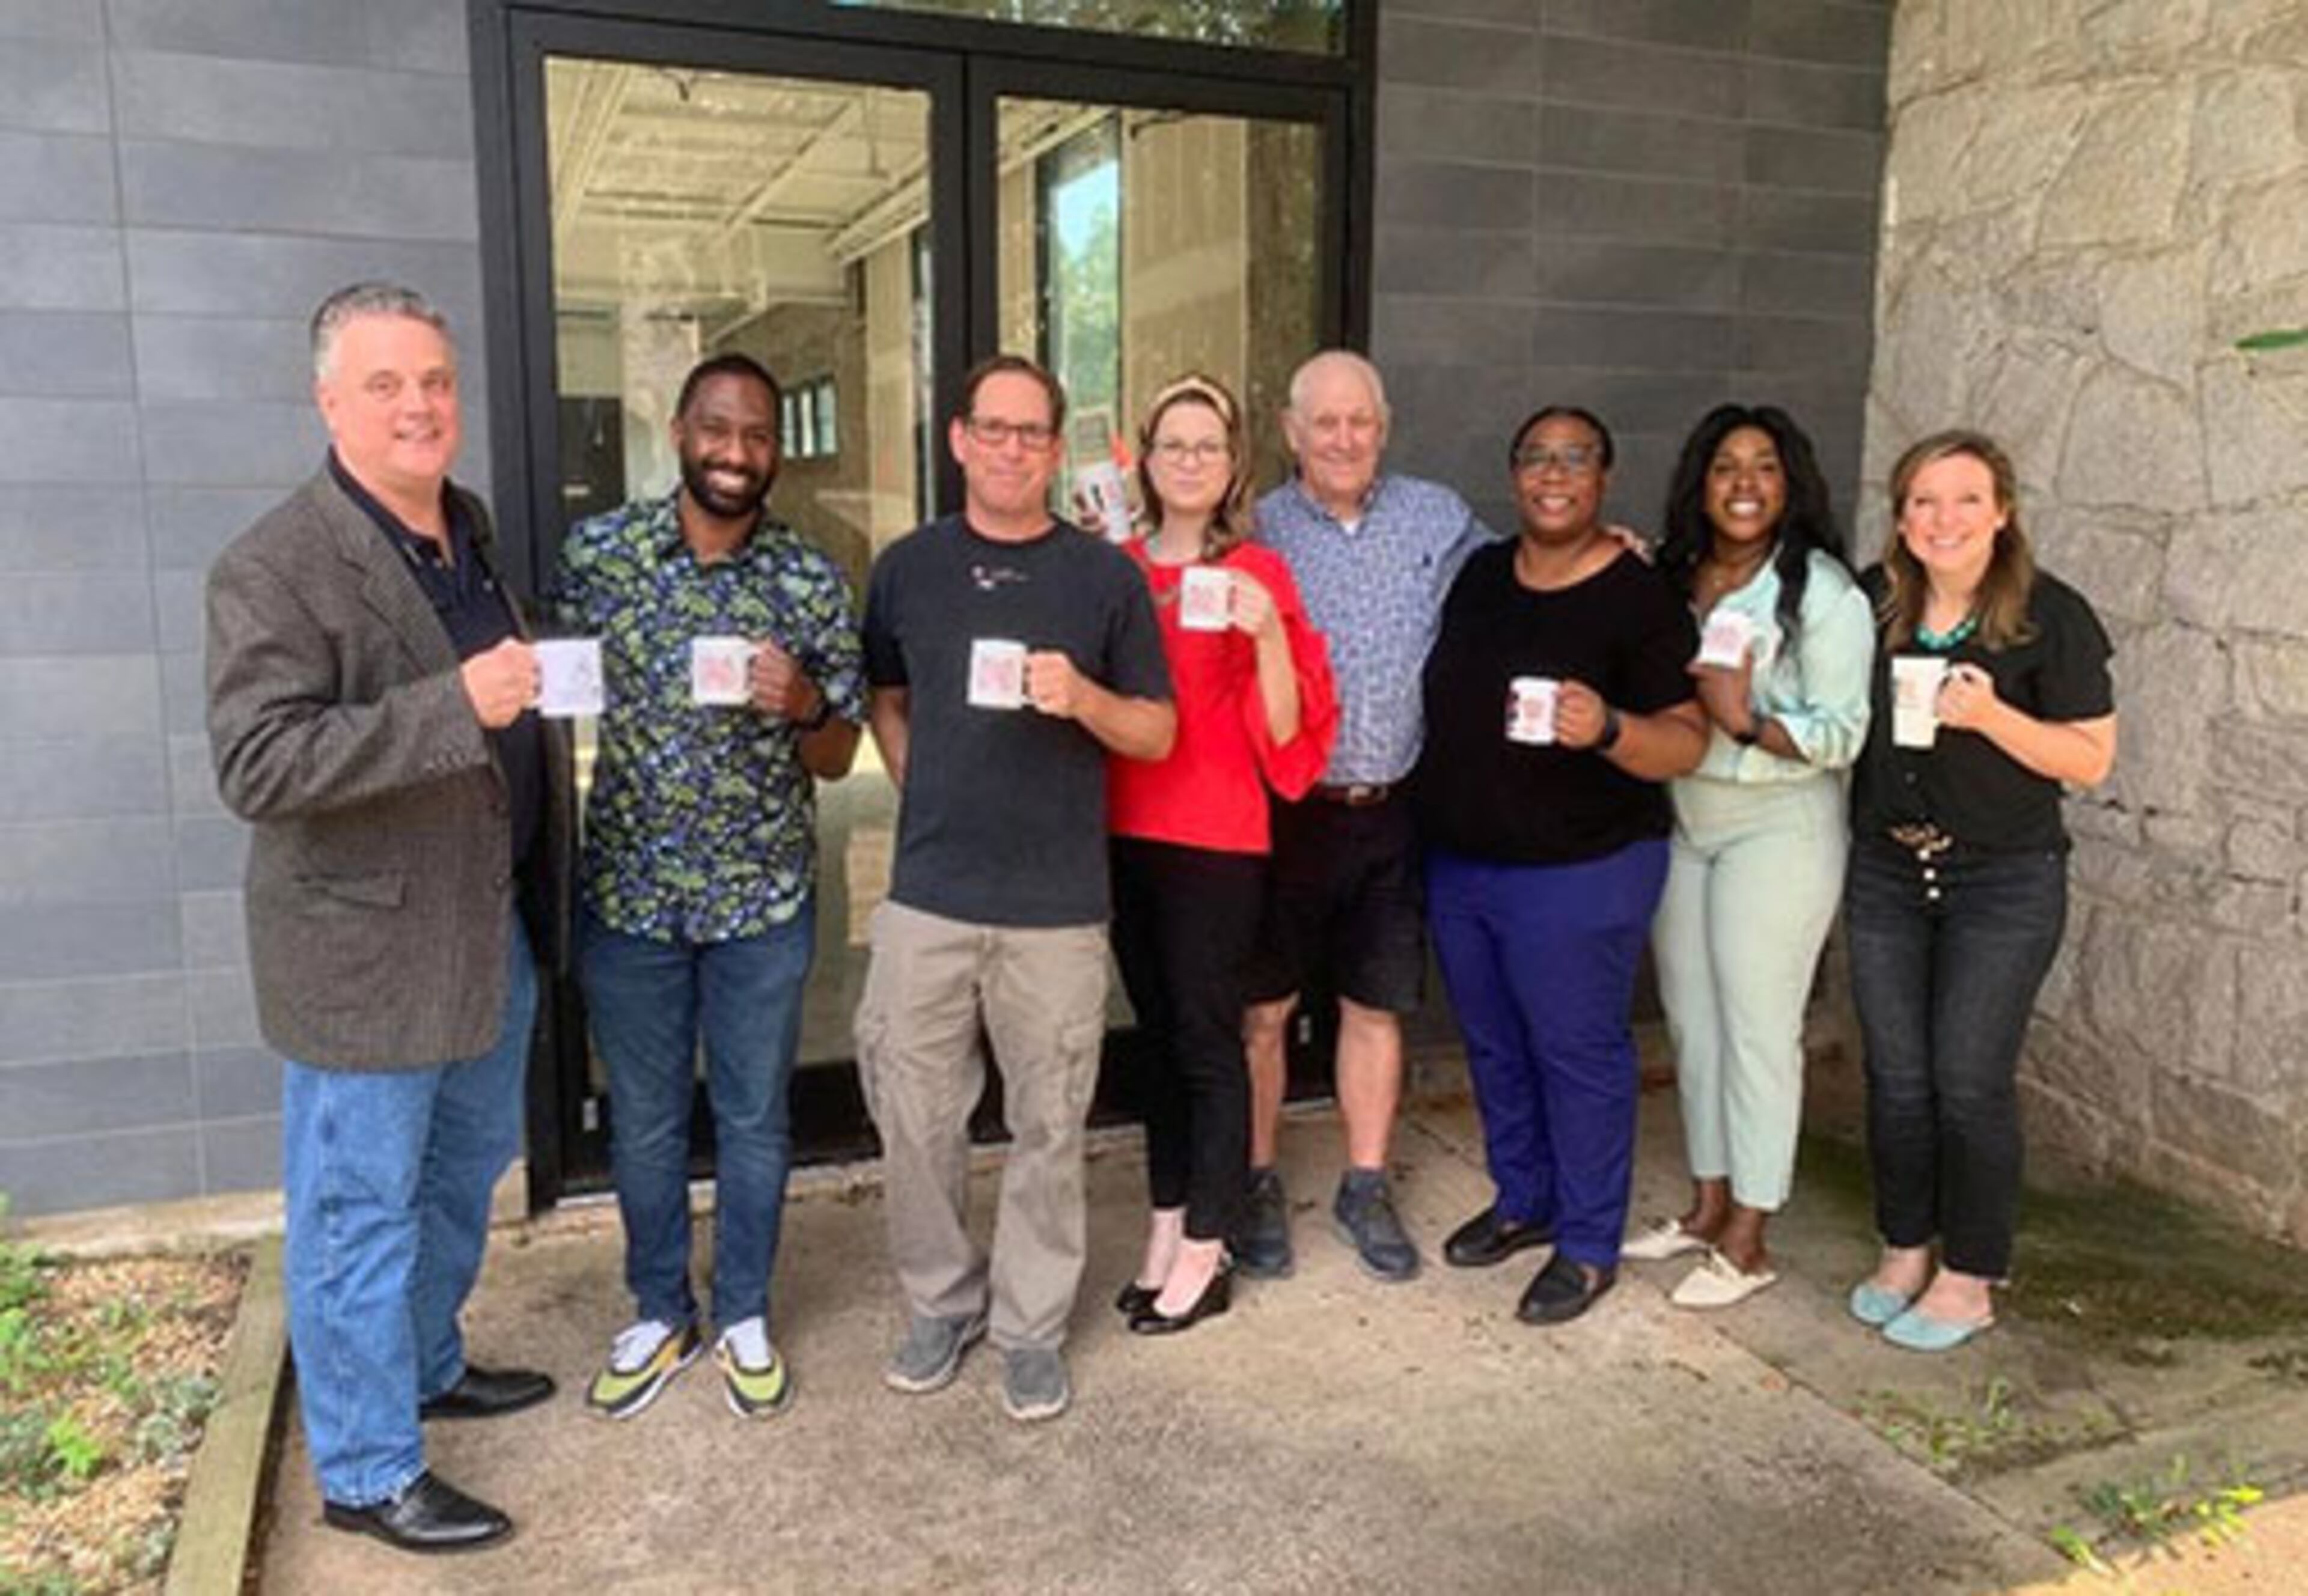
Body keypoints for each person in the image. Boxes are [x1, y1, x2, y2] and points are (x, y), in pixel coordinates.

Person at [206, 283, 558, 1553]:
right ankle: (363, 1467)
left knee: (460, 1179)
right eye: (386, 384)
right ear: (328, 401)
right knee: (359, 1209)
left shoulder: (466, 531)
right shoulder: (276, 565)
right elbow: (259, 765)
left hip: (486, 931)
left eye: (435, 381)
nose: (420, 404)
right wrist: (455, 702)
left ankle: (420, 1363)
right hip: (363, 957)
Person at [856, 354, 1174, 1420]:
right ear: (958, 439)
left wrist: (1083, 695)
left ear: (1054, 448)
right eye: (991, 429)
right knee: (914, 1115)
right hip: (930, 895)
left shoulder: (1104, 579)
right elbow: (885, 695)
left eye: (1031, 433)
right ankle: (941, 1302)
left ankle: (1030, 1328)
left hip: (1055, 906)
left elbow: (1158, 729)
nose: (1009, 449)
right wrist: (921, 783)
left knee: (1049, 1123)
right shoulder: (908, 567)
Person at [551, 353, 866, 1421]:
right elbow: (545, 696)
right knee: (642, 1118)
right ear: (681, 429)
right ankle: (657, 1311)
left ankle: (741, 1314)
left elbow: (838, 758)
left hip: (762, 905)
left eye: (759, 437)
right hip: (630, 897)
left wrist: (808, 702)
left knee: (753, 1115)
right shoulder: (599, 558)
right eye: (720, 431)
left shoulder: (808, 580)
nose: (738, 454)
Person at [1418, 406, 1708, 1325]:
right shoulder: (1479, 575)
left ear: (1603, 479)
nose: (1554, 473)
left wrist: (1612, 728)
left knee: (1578, 1055)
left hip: (1584, 870)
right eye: (1537, 457)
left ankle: (1588, 1243)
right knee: (1497, 1046)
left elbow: (1687, 743)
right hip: (1466, 866)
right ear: (1514, 475)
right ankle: (1525, 1200)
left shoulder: (1638, 593)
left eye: (1575, 458)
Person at [1844, 430, 2116, 1352]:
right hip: (1887, 867)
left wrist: (1992, 715)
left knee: (1967, 1079)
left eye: (1966, 499)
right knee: (1898, 1077)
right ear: (1901, 517)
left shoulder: (2051, 616)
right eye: (1924, 500)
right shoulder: (1872, 599)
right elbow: (1777, 608)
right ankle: (1905, 1245)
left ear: (2002, 512)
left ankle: (1971, 1273)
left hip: (2003, 879)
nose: (1944, 519)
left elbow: (2089, 758)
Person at [1241, 349, 1495, 1284]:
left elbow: (1515, 581)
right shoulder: (1257, 530)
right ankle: (1258, 1180)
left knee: (1374, 1005)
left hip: (1390, 810)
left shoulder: (1436, 516)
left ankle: (1363, 1183)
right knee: (1263, 1011)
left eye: (1361, 422)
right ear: (1291, 431)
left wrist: (1613, 549)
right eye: (1325, 422)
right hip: (1282, 813)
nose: (1344, 438)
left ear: (1382, 428)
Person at [1623, 405, 1873, 1308]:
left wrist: (1745, 719)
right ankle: (1706, 1204)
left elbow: (1846, 733)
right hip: (1688, 821)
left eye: (1764, 467)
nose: (1743, 483)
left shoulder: (1825, 594)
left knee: (1761, 1033)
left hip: (1780, 826)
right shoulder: (1673, 575)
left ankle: (1751, 1235)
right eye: (1724, 466)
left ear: (1791, 483)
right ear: (1701, 482)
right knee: (1692, 1021)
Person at [1104, 374, 1337, 1333]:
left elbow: (1287, 733)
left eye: (1209, 445)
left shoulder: (1262, 575)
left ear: (1235, 463)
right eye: (1174, 445)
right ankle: (1167, 1227)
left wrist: (1266, 635)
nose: (1191, 461)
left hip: (1217, 837)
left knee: (1209, 1043)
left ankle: (1212, 1242)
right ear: (1148, 461)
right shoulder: (1115, 568)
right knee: (1158, 1045)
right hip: (1123, 832)